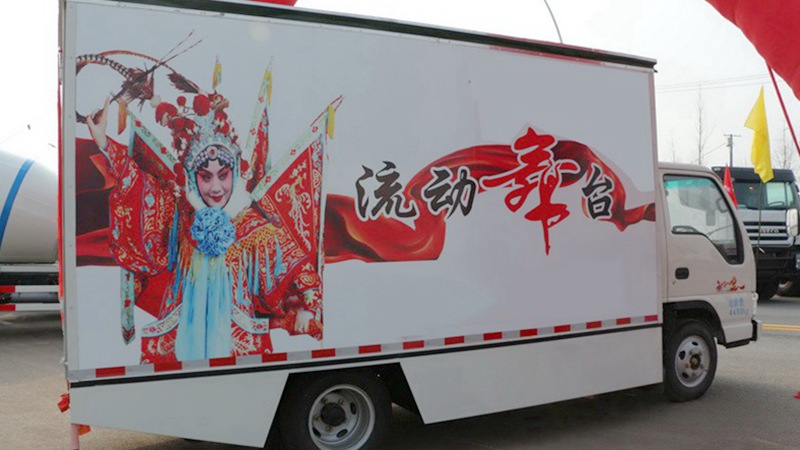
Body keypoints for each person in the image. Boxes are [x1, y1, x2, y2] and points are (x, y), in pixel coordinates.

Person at [86, 91, 322, 364]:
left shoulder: (250, 225)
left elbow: (297, 266)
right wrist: (103, 141)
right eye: (206, 177)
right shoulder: (180, 216)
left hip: (235, 338)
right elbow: (136, 183)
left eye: (223, 175)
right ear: (192, 178)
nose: (216, 187)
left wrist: (309, 308)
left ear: (235, 173)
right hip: (180, 335)